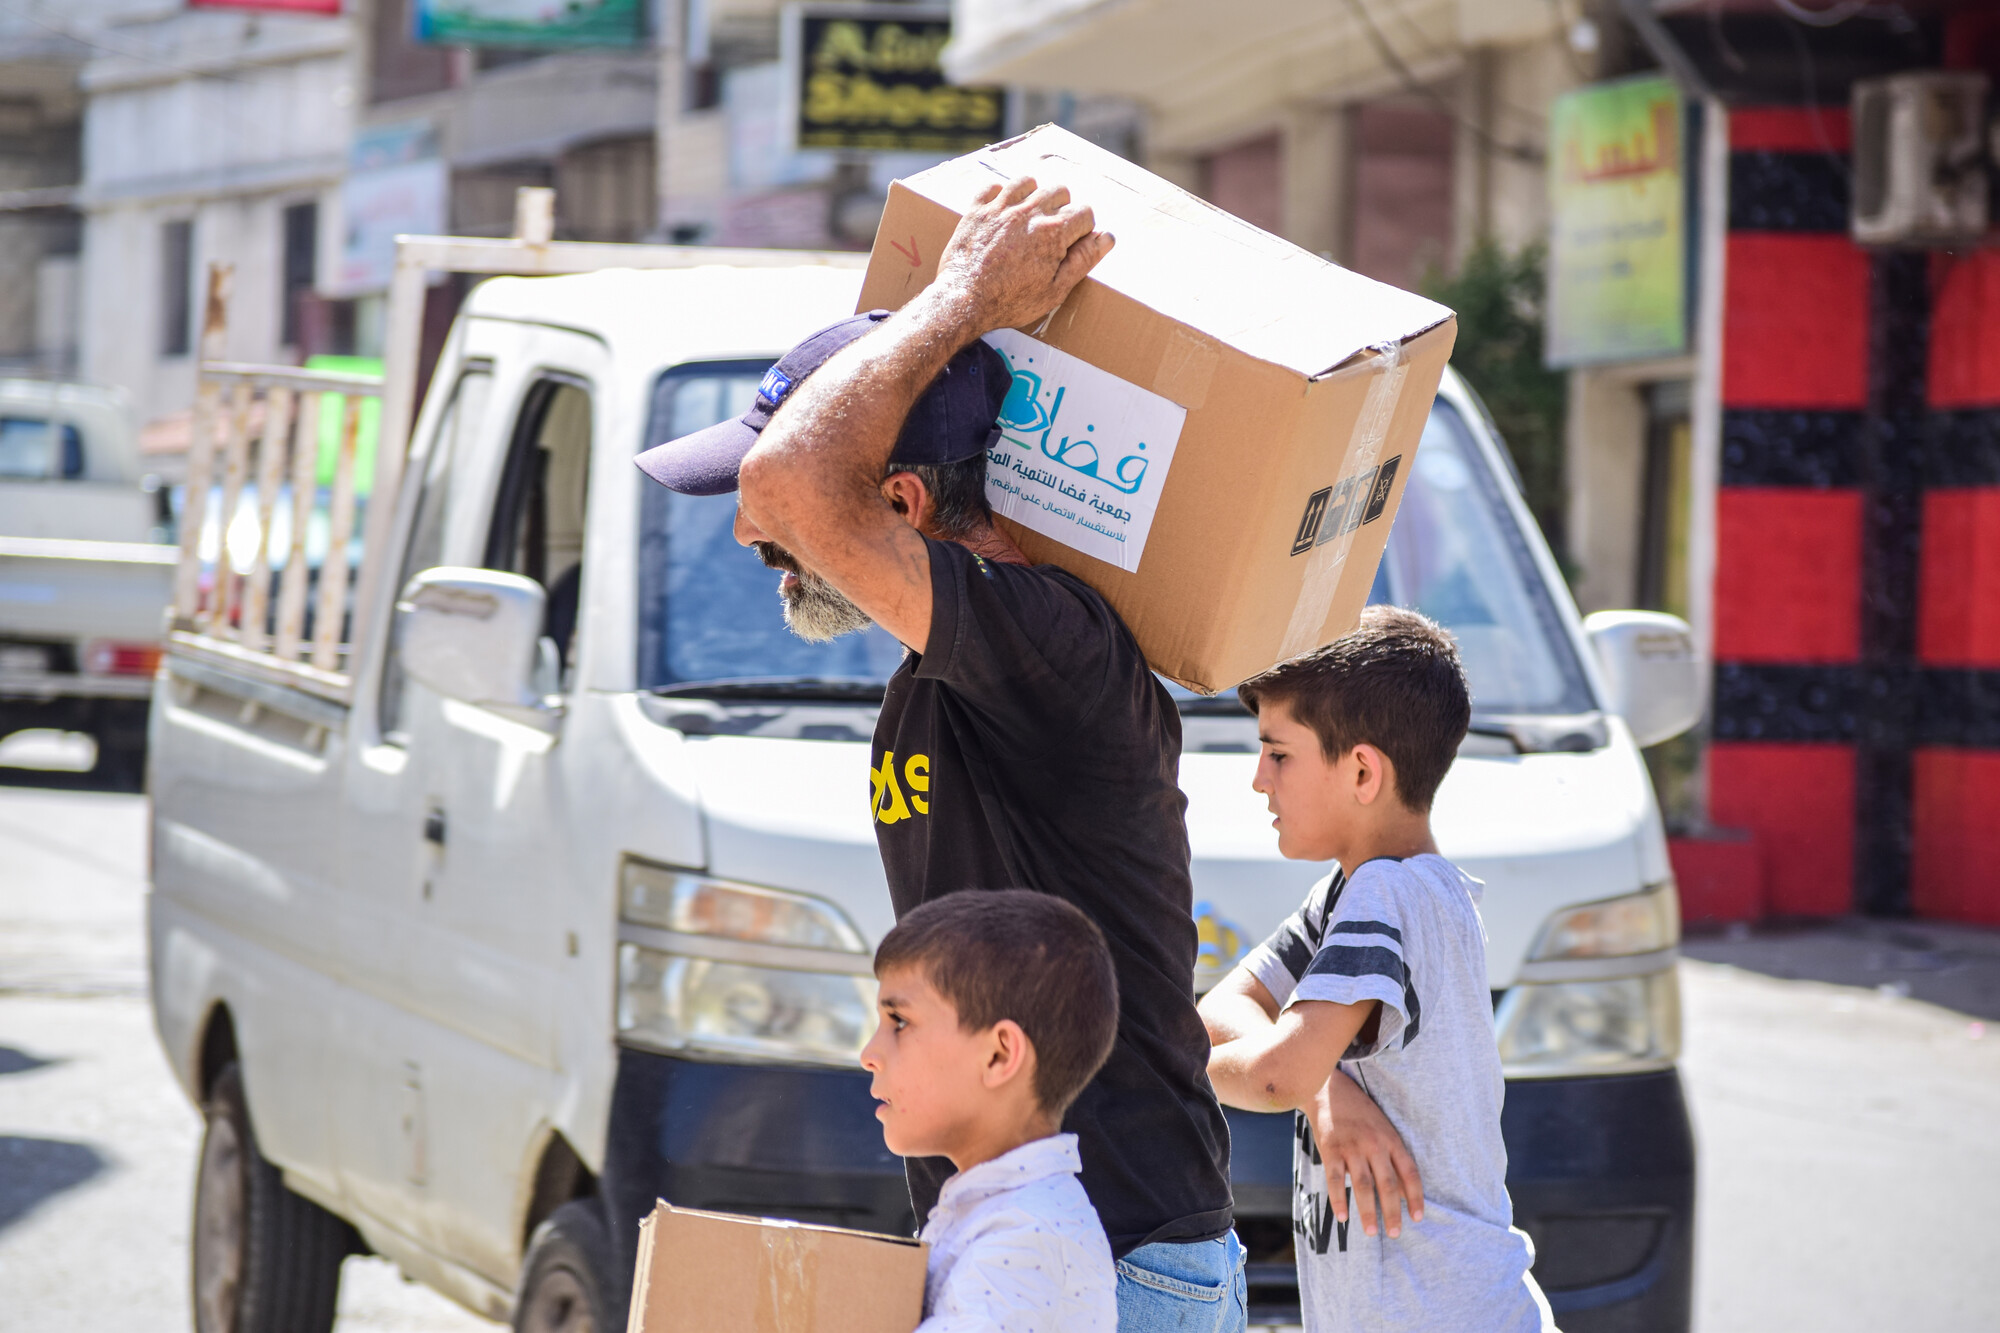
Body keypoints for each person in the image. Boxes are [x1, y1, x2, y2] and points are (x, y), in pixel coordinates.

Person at [635, 174, 1417, 1331]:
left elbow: (786, 488)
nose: (753, 535)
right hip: (1017, 1240)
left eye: (778, 543)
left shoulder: (1050, 647)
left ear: (899, 498)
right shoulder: (954, 664)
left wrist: (956, 302)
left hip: (1109, 1258)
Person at [1199, 607, 1556, 1333]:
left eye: (1279, 753)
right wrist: (1326, 1093)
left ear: (1362, 769)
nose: (1259, 780)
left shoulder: (1383, 896)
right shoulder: (1364, 890)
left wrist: (1162, 1059)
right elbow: (1228, 1008)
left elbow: (1272, 1073)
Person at [863, 889, 1120, 1332]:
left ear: (999, 1056)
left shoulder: (1026, 1241)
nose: (869, 1054)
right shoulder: (994, 1211)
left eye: (899, 1022)